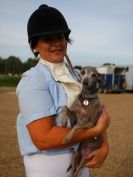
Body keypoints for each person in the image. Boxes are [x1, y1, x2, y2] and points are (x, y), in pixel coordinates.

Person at [16, 4, 110, 177]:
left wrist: (104, 145)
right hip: (47, 168)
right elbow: (43, 137)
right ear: (34, 46)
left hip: (81, 164)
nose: (57, 43)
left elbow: (96, 114)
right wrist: (94, 132)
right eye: (48, 39)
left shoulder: (77, 75)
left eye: (61, 36)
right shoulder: (34, 80)